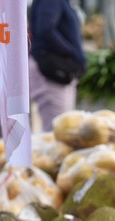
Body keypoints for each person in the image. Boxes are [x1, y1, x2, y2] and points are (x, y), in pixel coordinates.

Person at [28, 0, 87, 132]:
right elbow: (45, 30)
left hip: (57, 71)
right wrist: (71, 52)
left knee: (62, 130)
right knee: (58, 132)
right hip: (53, 71)